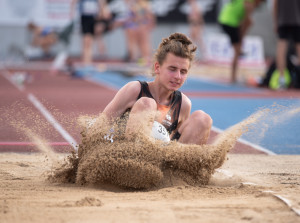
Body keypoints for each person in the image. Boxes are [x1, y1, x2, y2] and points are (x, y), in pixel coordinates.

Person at [102, 33, 212, 145]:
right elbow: (100, 126)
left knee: (202, 119)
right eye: (172, 69)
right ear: (157, 68)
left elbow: (174, 141)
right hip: (125, 155)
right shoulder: (134, 90)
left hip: (160, 158)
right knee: (147, 104)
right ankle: (134, 159)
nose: (178, 76)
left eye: (183, 72)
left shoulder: (183, 104)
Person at [218, 0, 265, 83]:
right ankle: (233, 78)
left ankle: (233, 76)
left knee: (237, 50)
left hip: (225, 19)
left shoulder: (248, 3)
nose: (259, 5)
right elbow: (244, 24)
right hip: (230, 22)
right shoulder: (250, 5)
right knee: (237, 51)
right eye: (260, 3)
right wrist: (240, 41)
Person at [271, 0, 300, 89]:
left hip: (283, 20)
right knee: (297, 48)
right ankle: (283, 79)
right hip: (296, 20)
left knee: (281, 49)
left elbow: (275, 5)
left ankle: (282, 79)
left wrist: (276, 21)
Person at [71, 0, 110, 65]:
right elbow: (74, 2)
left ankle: (88, 62)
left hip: (93, 18)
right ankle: (85, 61)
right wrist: (72, 12)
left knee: (90, 41)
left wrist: (101, 11)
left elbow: (101, 4)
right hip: (85, 17)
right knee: (86, 41)